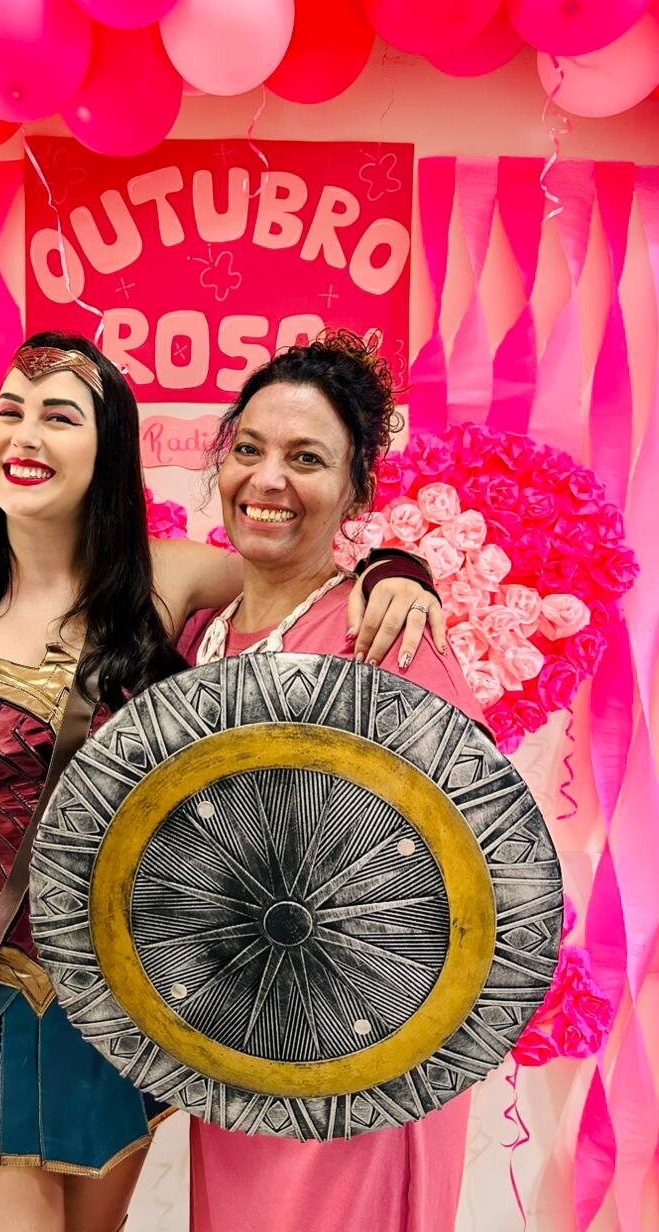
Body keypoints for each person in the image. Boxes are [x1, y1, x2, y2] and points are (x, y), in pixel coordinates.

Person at [0, 331, 441, 1232]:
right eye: (10, 411)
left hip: (115, 1009)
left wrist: (398, 569)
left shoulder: (168, 579)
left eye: (59, 416)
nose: (26, 435)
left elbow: (296, 567)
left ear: (110, 446)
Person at [177, 330, 487, 1232]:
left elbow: (477, 859)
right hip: (233, 1041)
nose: (268, 479)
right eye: (249, 448)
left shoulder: (385, 636)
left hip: (361, 1050)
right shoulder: (197, 637)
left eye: (307, 459)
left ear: (356, 492)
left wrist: (397, 567)